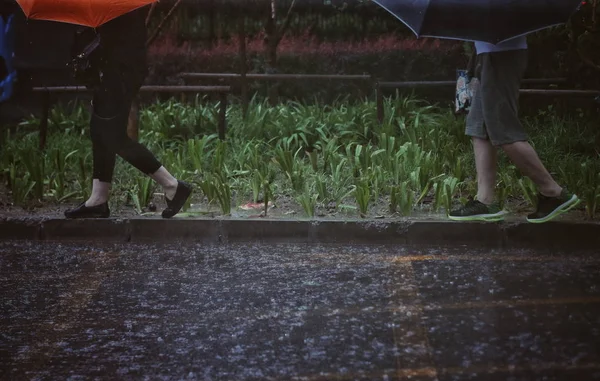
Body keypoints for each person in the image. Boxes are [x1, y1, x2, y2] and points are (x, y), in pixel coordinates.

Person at [64, 6, 192, 219]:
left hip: (119, 73)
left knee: (111, 136)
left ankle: (172, 185)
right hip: (115, 71)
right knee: (99, 131)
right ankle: (98, 198)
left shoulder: (122, 5)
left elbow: (119, 38)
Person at [449, 36, 580, 223]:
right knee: (479, 127)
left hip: (500, 54)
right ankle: (485, 200)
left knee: (502, 128)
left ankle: (552, 192)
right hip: (486, 53)